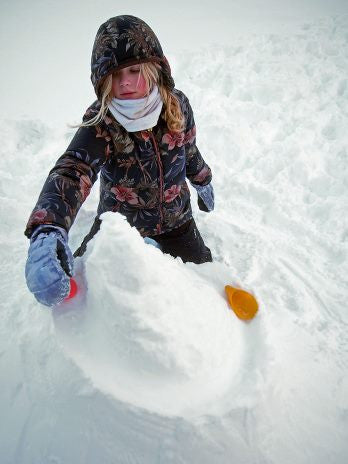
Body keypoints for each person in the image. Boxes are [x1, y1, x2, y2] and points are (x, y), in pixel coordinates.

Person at [24, 15, 214, 307]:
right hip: (119, 228)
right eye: (113, 75)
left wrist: (203, 180)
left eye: (134, 70)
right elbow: (74, 169)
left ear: (154, 67)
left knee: (204, 283)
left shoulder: (178, 104)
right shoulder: (102, 119)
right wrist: (48, 227)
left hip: (176, 222)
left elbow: (188, 150)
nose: (124, 82)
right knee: (82, 285)